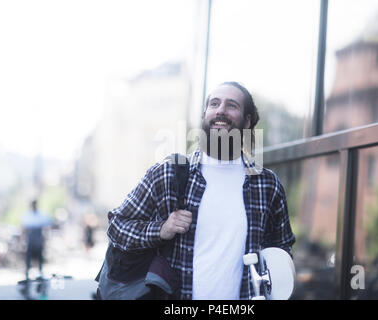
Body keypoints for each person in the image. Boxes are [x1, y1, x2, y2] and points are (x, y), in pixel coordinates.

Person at [106, 81, 295, 300]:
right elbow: (117, 227)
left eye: (231, 105)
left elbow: (281, 250)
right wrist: (161, 229)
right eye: (214, 103)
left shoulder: (267, 185)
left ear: (248, 120)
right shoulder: (169, 174)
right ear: (205, 113)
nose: (221, 110)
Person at [21, 200, 52, 280]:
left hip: (38, 237)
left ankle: (40, 271)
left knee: (40, 255)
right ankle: (27, 272)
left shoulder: (41, 215)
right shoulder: (27, 215)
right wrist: (23, 240)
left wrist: (46, 237)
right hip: (31, 237)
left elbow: (46, 225)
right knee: (29, 256)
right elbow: (24, 229)